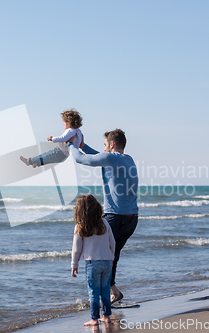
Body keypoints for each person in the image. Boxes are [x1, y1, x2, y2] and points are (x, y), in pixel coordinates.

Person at [68, 129, 138, 304]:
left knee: (100, 257)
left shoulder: (111, 158)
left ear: (112, 144)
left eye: (105, 144)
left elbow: (81, 159)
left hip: (116, 217)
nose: (104, 148)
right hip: (131, 219)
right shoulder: (128, 159)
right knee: (111, 257)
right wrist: (83, 145)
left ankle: (103, 298)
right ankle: (113, 292)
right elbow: (100, 156)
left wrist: (70, 144)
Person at [71, 194, 115, 327]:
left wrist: (74, 264)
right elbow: (112, 242)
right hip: (107, 261)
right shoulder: (104, 223)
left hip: (92, 263)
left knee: (94, 292)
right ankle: (106, 317)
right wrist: (111, 257)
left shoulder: (80, 226)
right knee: (105, 290)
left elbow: (76, 248)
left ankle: (94, 319)